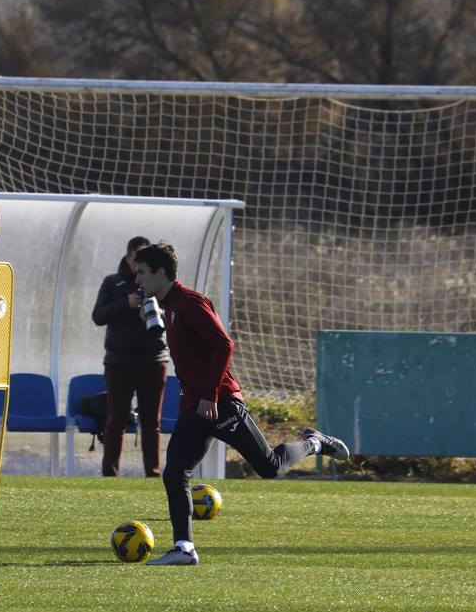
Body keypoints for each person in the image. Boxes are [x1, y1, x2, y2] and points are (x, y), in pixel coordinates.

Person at [132, 242, 350, 566]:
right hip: (195, 406)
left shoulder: (191, 303)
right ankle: (184, 548)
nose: (137, 279)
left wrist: (209, 394)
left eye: (142, 272)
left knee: (270, 468)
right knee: (175, 473)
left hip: (220, 403)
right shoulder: (169, 306)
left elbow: (224, 345)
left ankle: (314, 442)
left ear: (161, 273)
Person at [91, 236, 168, 477]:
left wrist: (157, 313)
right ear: (128, 258)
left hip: (153, 359)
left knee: (151, 421)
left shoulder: (161, 283)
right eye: (136, 259)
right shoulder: (112, 283)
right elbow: (98, 316)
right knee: (116, 420)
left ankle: (153, 473)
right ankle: (110, 473)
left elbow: (175, 315)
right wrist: (126, 304)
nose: (140, 266)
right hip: (119, 360)